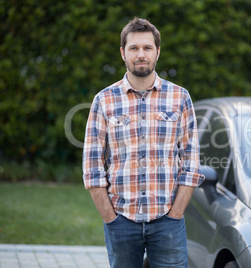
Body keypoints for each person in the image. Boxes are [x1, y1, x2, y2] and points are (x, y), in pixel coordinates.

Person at [82, 17, 204, 268]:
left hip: (167, 222)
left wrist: (175, 215)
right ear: (122, 53)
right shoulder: (104, 101)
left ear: (157, 52)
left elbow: (191, 164)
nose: (141, 54)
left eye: (147, 48)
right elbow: (92, 168)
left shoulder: (180, 97)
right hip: (121, 222)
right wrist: (110, 218)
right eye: (134, 48)